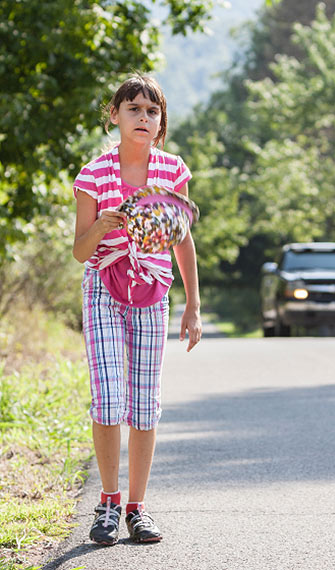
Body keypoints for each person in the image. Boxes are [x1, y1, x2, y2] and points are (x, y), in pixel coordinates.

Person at [72, 74, 201, 545]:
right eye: (134, 109)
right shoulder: (94, 174)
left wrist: (193, 305)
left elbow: (183, 240)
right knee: (109, 398)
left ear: (161, 121)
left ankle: (137, 509)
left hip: (152, 295)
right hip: (103, 289)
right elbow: (80, 251)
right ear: (115, 115)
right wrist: (102, 224)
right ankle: (107, 501)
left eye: (152, 111)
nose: (143, 117)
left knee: (145, 406)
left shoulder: (172, 170)